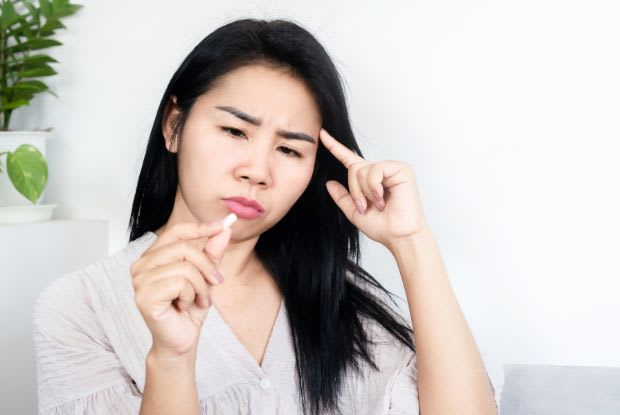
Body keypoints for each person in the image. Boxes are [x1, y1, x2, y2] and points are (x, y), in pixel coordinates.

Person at [33, 18, 502, 414]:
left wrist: (412, 241)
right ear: (175, 126)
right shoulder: (81, 307)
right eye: (235, 131)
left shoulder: (338, 299)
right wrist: (172, 361)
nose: (257, 171)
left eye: (289, 149)